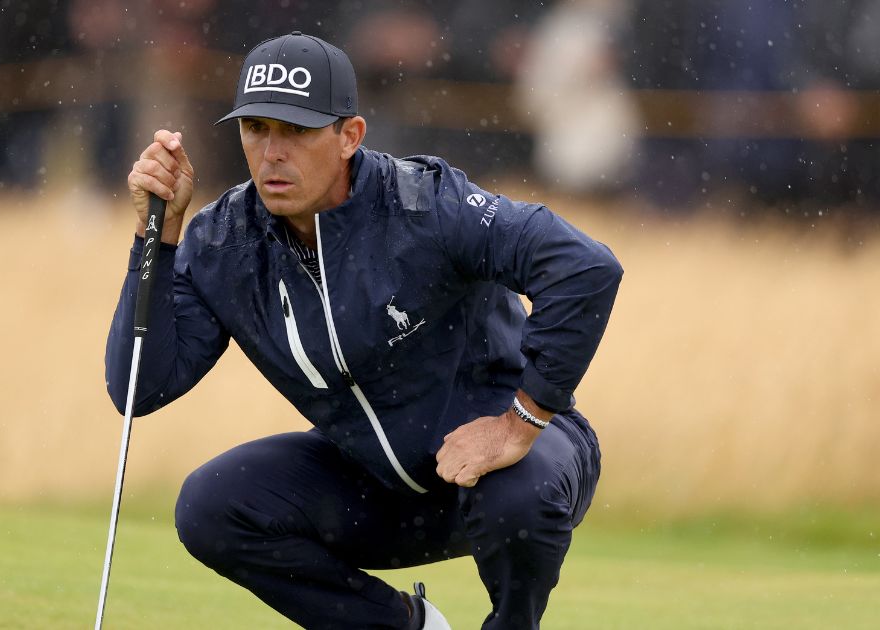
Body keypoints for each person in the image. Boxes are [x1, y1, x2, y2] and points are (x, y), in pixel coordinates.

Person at [107, 32, 622, 630]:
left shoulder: (426, 205)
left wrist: (522, 420)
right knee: (213, 506)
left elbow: (586, 266)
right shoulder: (225, 241)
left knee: (519, 497)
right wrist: (157, 240)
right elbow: (137, 390)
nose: (272, 152)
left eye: (296, 131)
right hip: (380, 493)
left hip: (515, 466)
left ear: (349, 136)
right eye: (256, 129)